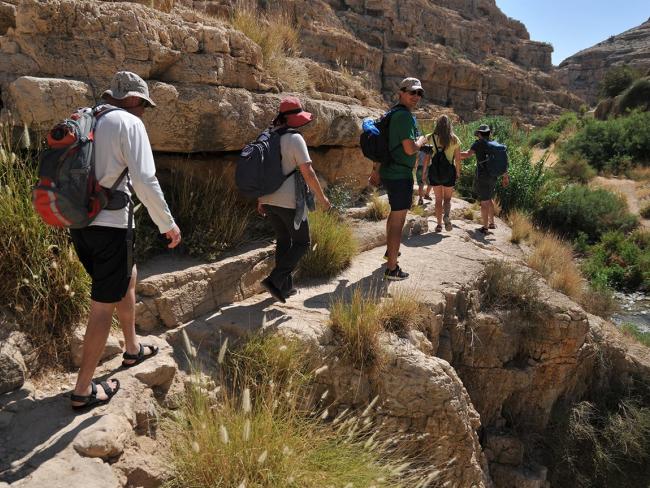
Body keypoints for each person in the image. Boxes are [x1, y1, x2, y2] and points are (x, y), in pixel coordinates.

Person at [69, 71, 181, 410]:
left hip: (79, 221)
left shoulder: (84, 117)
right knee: (102, 304)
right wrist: (168, 224)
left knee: (126, 276)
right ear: (132, 100)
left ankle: (132, 349)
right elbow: (145, 180)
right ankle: (83, 390)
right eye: (143, 106)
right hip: (111, 226)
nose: (144, 112)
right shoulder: (129, 124)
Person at [257, 96, 331, 303]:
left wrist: (260, 199)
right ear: (294, 118)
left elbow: (261, 171)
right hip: (289, 201)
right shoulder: (295, 138)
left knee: (284, 240)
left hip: (268, 198)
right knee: (302, 242)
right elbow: (308, 172)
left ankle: (285, 287)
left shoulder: (268, 135)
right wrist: (322, 198)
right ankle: (274, 280)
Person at [368, 77, 428, 281]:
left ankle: (389, 254)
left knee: (394, 216)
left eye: (419, 93)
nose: (416, 97)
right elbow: (410, 148)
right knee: (398, 220)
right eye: (412, 92)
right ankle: (392, 269)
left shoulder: (393, 113)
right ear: (401, 92)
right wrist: (422, 140)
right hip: (399, 174)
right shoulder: (403, 117)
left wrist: (376, 171)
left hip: (390, 171)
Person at [459, 124, 509, 234]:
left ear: (479, 134)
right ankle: (491, 223)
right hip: (494, 176)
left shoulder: (478, 144)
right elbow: (503, 161)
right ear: (489, 134)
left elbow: (467, 154)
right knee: (489, 198)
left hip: (483, 176)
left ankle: (485, 227)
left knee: (484, 202)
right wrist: (505, 177)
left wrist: (455, 154)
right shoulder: (494, 145)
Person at [422, 115, 461, 232]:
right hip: (449, 172)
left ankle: (439, 225)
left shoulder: (430, 137)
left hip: (434, 172)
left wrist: (424, 173)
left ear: (437, 124)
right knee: (447, 199)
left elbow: (427, 158)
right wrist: (458, 173)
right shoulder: (454, 139)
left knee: (438, 200)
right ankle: (447, 216)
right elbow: (458, 159)